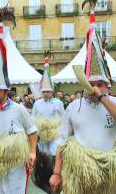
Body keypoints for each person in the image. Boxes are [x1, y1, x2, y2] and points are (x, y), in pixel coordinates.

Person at [50, 75, 116, 194]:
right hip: (84, 176)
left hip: (113, 175)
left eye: (99, 84)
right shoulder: (73, 107)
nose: (94, 88)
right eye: (90, 84)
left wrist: (101, 97)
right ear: (84, 86)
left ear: (107, 87)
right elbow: (62, 141)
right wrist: (57, 173)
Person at [0, 22, 37, 194]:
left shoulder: (19, 109)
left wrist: (32, 152)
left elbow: (32, 131)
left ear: (6, 90)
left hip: (14, 169)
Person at [32, 50, 65, 193]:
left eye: (48, 91)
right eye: (44, 91)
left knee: (54, 154)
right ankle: (44, 179)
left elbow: (63, 117)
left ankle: (55, 176)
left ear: (52, 91)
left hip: (55, 134)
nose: (46, 94)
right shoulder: (37, 104)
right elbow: (33, 118)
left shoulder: (58, 102)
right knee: (44, 156)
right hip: (42, 134)